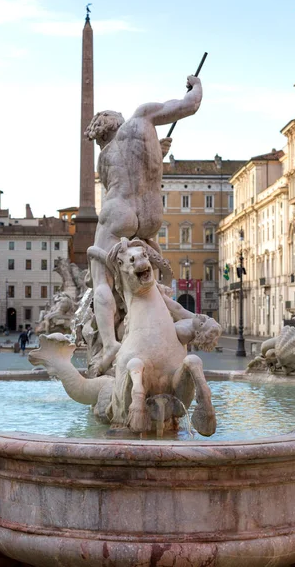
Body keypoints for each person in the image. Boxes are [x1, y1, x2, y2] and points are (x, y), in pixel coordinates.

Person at [85, 75, 203, 372]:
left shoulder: (104, 158)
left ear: (102, 134)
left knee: (102, 280)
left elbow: (122, 177)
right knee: (156, 279)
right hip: (151, 217)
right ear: (119, 120)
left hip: (119, 213)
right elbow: (191, 104)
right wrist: (196, 84)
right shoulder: (143, 118)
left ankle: (111, 343)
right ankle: (165, 328)